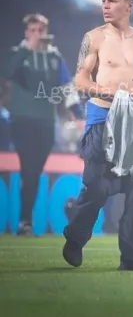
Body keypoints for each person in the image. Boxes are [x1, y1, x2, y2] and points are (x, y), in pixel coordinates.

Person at [62, 0, 133, 271]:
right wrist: (111, 93)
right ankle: (75, 237)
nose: (105, 5)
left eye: (113, 1)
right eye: (104, 0)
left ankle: (132, 258)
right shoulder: (93, 38)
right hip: (101, 119)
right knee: (96, 188)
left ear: (129, 6)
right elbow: (79, 81)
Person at [0, 13, 84, 236]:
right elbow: (6, 73)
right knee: (28, 168)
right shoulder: (17, 54)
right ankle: (25, 220)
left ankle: (25, 220)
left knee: (35, 171)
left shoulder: (54, 57)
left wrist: (78, 114)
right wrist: (28, 48)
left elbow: (67, 86)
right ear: (26, 32)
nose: (37, 34)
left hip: (46, 122)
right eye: (33, 30)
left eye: (41, 30)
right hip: (22, 120)